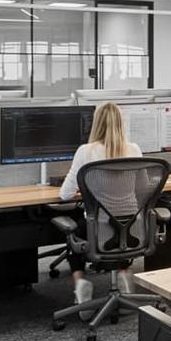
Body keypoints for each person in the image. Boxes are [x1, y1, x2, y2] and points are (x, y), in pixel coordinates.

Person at [59, 102, 144, 311]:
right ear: (121, 124)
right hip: (132, 227)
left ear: (95, 124)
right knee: (120, 223)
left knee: (75, 229)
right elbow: (142, 189)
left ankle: (80, 282)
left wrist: (87, 188)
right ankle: (123, 275)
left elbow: (65, 194)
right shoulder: (134, 149)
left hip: (98, 230)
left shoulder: (86, 151)